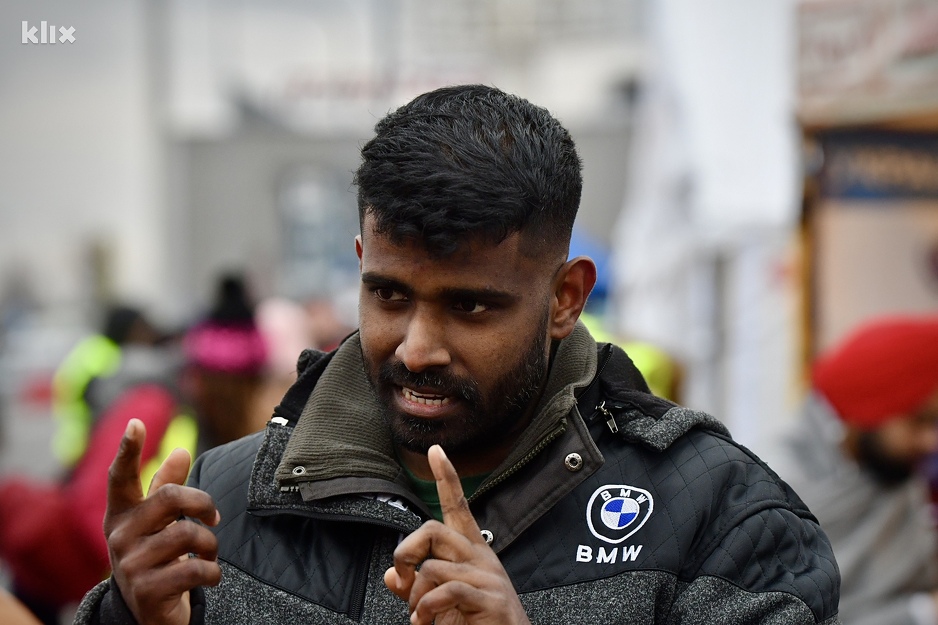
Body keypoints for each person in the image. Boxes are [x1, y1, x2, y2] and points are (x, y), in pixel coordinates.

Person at [75, 85, 839, 624]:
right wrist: (127, 616)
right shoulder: (228, 500)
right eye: (390, 295)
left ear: (566, 297)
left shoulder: (716, 516)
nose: (418, 346)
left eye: (470, 305)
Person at [0, 275, 268, 625]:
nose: (261, 399)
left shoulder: (211, 425)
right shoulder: (153, 403)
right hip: (62, 580)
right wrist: (138, 572)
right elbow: (92, 505)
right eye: (254, 385)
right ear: (228, 384)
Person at [766, 316, 938, 625]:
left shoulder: (891, 472)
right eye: (919, 421)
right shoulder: (771, 490)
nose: (931, 441)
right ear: (866, 412)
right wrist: (922, 613)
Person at [51, 304, 162, 469]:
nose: (147, 335)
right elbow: (101, 402)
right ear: (128, 329)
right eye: (141, 328)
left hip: (74, 442)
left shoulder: (94, 347)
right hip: (88, 443)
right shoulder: (109, 358)